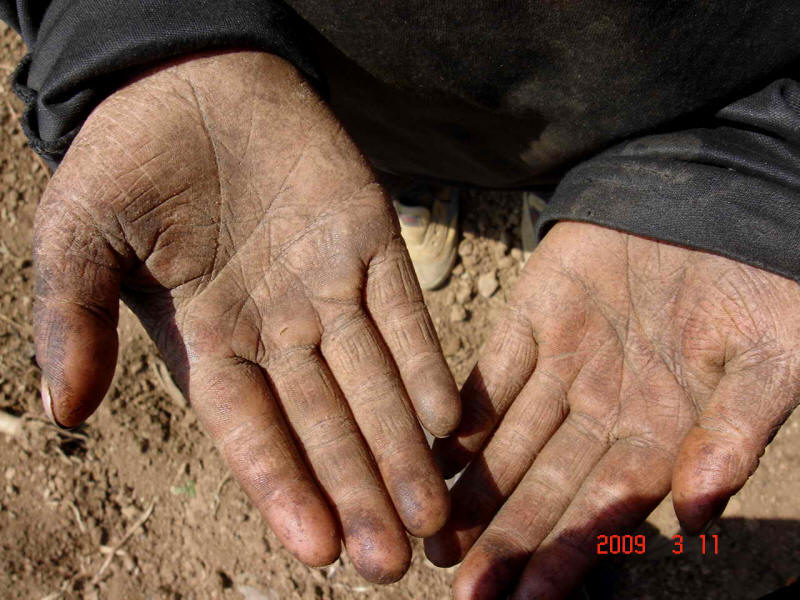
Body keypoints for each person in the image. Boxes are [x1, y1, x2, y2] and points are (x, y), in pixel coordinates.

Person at [2, 2, 799, 598]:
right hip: (328, 80)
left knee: (592, 147)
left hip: (692, 89)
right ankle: (413, 182)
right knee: (365, 148)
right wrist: (145, 34)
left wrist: (759, 168)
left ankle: (594, 179)